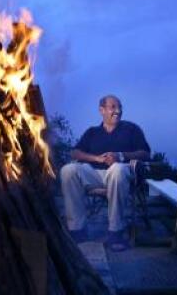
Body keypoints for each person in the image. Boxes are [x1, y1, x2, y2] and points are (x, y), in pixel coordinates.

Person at [60, 95, 150, 251]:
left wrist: (120, 156)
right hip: (94, 173)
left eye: (120, 107)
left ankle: (116, 231)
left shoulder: (131, 129)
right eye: (113, 107)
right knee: (68, 170)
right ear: (101, 110)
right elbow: (74, 153)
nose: (118, 110)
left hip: (121, 174)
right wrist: (96, 158)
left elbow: (145, 153)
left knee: (117, 169)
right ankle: (77, 229)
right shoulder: (92, 132)